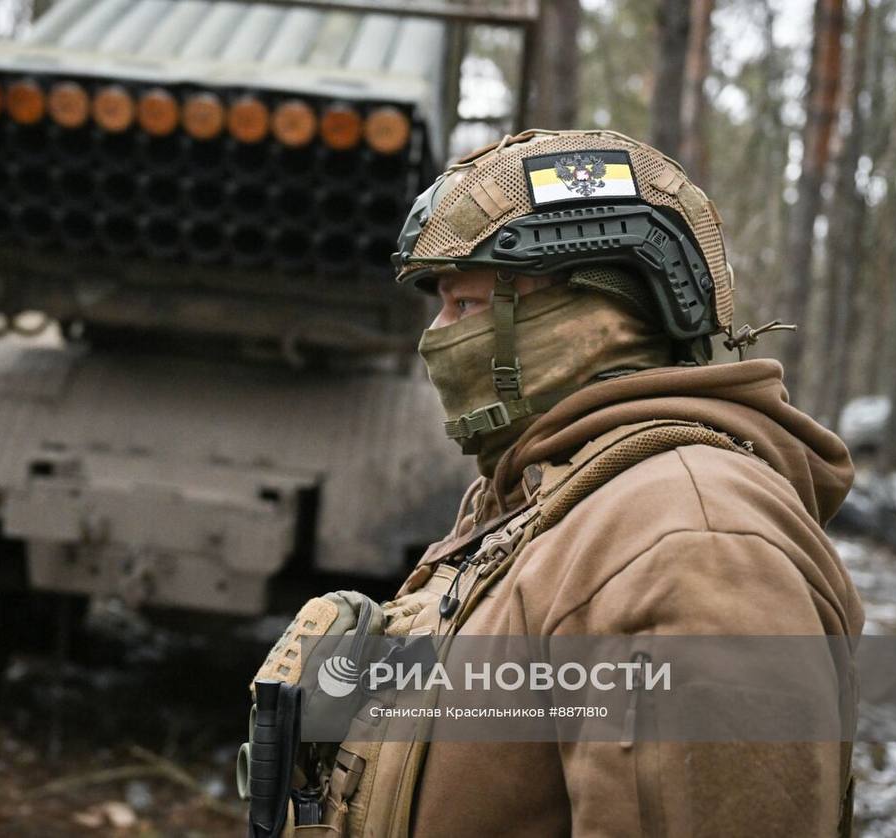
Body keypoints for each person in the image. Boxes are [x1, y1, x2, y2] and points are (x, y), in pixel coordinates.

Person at [246, 130, 862, 836]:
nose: (435, 337)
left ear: (596, 319)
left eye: (468, 306)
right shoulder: (545, 503)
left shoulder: (689, 539)